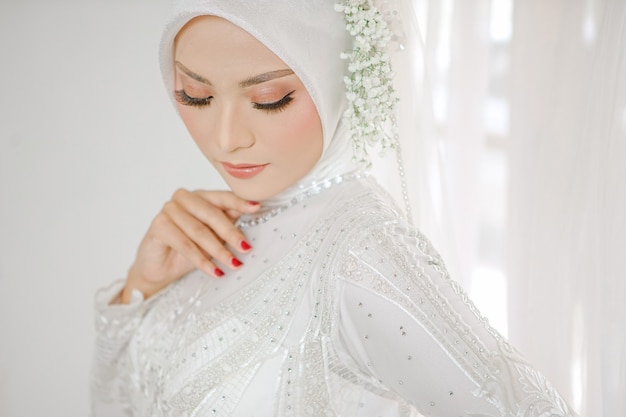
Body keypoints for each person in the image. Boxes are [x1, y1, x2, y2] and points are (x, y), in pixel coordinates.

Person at [91, 1, 578, 416]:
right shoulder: (206, 232)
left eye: (270, 99)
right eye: (195, 96)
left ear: (336, 77)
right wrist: (141, 287)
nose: (226, 138)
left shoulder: (360, 251)